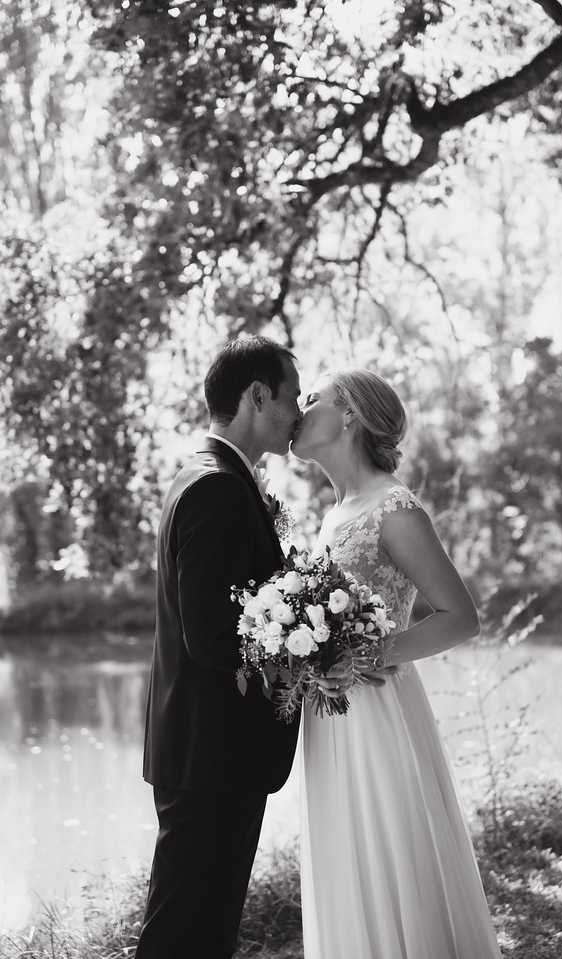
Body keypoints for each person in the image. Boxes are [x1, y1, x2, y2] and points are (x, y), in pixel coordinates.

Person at [291, 369, 502, 959]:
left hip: (380, 711)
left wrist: (369, 653)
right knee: (348, 855)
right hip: (331, 716)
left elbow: (460, 616)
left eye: (314, 400)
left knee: (391, 852)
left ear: (350, 414)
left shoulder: (394, 508)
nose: (300, 409)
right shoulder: (335, 513)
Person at [135, 336, 303, 959]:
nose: (298, 416)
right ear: (257, 396)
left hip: (211, 750)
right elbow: (209, 634)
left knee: (205, 929)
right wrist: (295, 647)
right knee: (184, 931)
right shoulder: (215, 487)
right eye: (290, 399)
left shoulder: (215, 477)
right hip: (211, 749)